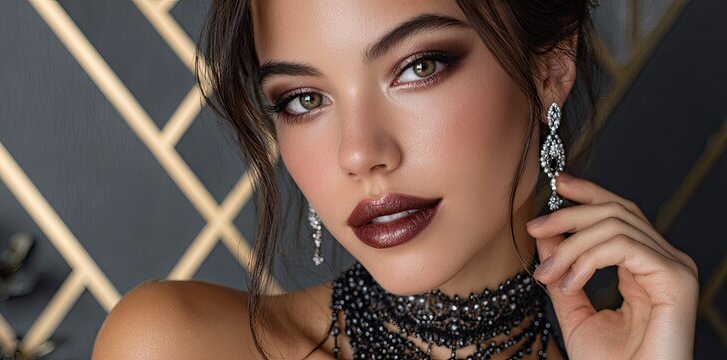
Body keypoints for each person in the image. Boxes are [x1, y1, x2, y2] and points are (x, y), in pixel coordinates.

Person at [92, 1, 700, 359]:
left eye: (418, 67)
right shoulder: (172, 345)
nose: (358, 153)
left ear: (549, 67)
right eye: (304, 99)